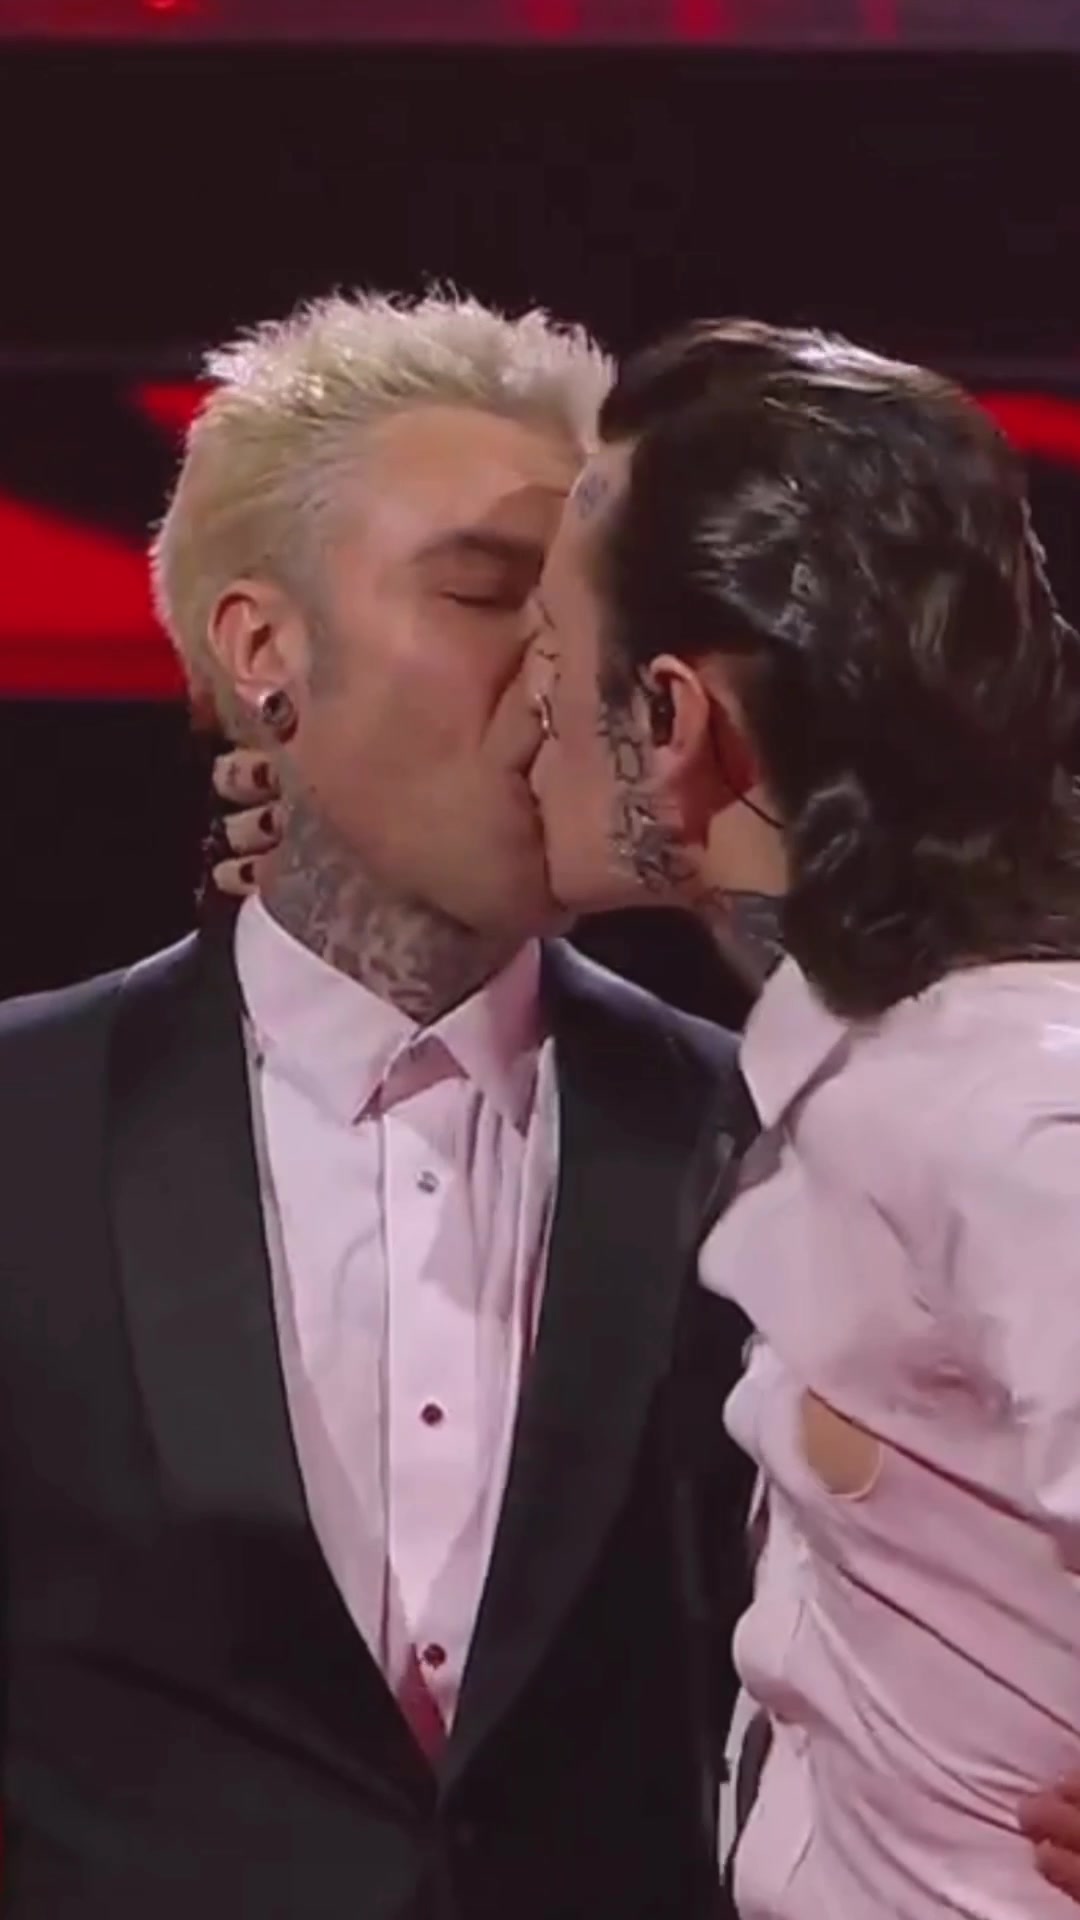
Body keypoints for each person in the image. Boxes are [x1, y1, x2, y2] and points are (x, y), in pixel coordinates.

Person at [0, 291, 760, 1919]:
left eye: (594, 613)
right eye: (489, 593)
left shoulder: (757, 1135)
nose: (567, 678)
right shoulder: (26, 1122)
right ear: (261, 648)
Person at [505, 313, 1080, 1914]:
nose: (525, 715)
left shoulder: (998, 1105)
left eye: (546, 652)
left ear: (675, 719)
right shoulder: (895, 1076)